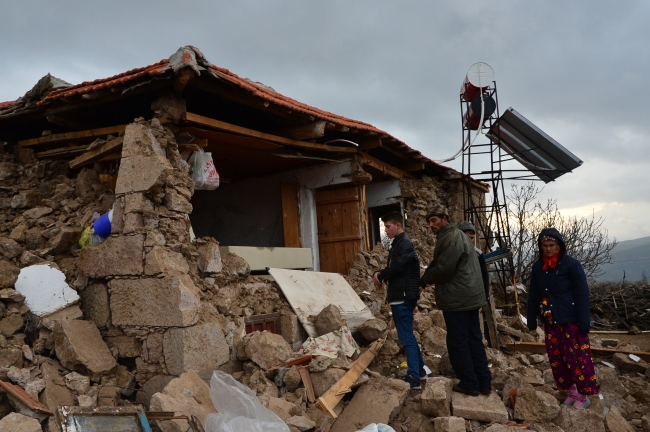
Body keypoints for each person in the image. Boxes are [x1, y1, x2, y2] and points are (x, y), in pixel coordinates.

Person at [420, 205, 491, 396]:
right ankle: (484, 382)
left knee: (458, 342)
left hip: (458, 299)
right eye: (429, 222)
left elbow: (444, 269)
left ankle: (469, 383)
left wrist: (424, 280)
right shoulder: (456, 236)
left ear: (444, 219)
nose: (431, 225)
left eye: (434, 220)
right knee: (474, 340)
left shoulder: (450, 237)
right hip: (469, 297)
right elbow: (442, 263)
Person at [527, 228, 599, 409]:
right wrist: (531, 318)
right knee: (558, 359)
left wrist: (584, 322)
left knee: (577, 359)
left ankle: (583, 395)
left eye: (552, 245)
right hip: (551, 321)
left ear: (559, 246)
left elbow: (582, 294)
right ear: (540, 246)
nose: (548, 249)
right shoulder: (538, 267)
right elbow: (534, 294)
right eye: (545, 245)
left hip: (571, 321)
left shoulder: (571, 265)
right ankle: (571, 392)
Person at [372, 211, 426, 389]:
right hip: (402, 295)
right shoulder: (399, 243)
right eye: (384, 227)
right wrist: (381, 273)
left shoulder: (404, 244)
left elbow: (396, 267)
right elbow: (395, 268)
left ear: (398, 225)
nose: (386, 230)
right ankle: (420, 371)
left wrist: (380, 274)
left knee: (406, 338)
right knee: (408, 335)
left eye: (388, 226)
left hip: (402, 296)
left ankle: (413, 378)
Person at [458, 221, 490, 306]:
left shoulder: (478, 254)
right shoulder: (453, 252)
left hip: (472, 298)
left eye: (472, 238)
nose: (470, 240)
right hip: (457, 298)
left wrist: (485, 298)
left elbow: (484, 276)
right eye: (467, 237)